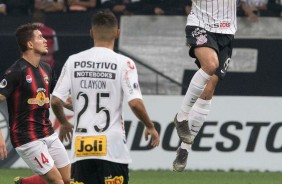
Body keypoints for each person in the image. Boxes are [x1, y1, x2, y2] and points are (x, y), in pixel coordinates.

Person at [51, 9, 160, 184]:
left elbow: (56, 100)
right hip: (112, 148)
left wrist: (64, 122)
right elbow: (135, 104)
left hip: (82, 148)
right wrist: (150, 126)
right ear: (117, 33)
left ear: (91, 33)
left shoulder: (73, 61)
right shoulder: (124, 63)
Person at [0, 23, 71, 184]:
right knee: (56, 181)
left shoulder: (47, 68)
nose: (45, 40)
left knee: (67, 179)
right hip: (26, 138)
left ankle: (24, 183)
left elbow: (58, 95)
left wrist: (75, 105)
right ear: (30, 44)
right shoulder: (15, 72)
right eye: (40, 37)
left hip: (48, 132)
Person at [173, 0, 238, 172]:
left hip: (226, 30)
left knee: (208, 92)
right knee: (210, 65)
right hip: (200, 24)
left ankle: (185, 148)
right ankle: (181, 117)